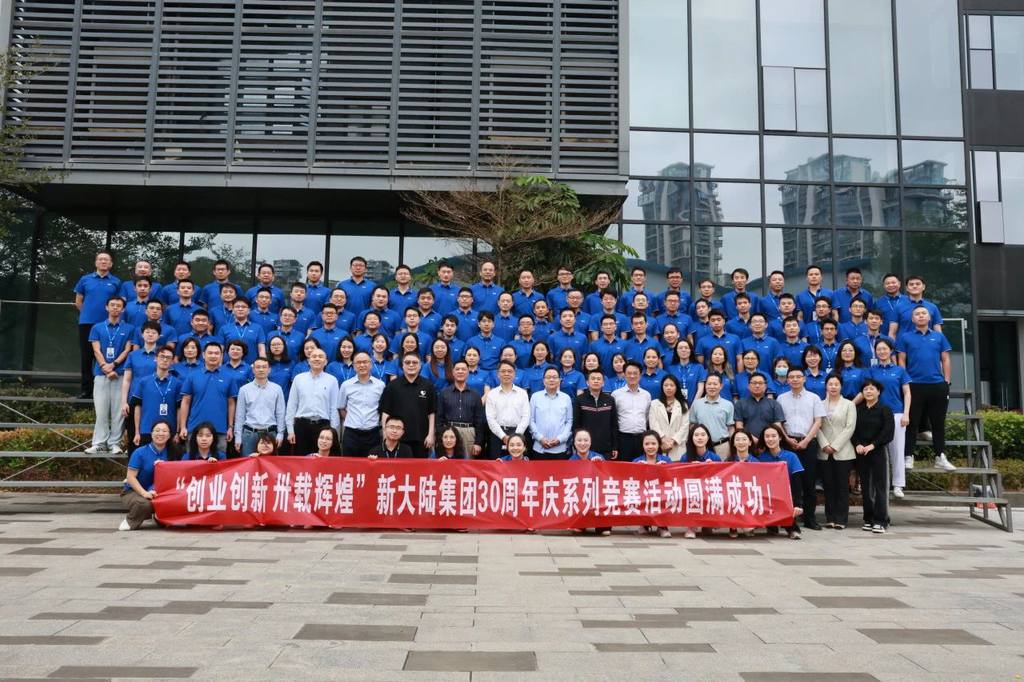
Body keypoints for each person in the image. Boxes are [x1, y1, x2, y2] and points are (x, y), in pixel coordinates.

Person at [896, 306, 955, 471]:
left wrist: (946, 381)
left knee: (938, 423)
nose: (921, 316)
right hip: (914, 385)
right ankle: (908, 456)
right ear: (912, 319)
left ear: (929, 317)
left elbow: (945, 359)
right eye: (917, 314)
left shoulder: (939, 337)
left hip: (937, 385)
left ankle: (940, 456)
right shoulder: (905, 337)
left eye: (924, 313)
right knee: (911, 423)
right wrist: (905, 381)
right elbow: (901, 361)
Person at [776, 367, 827, 531]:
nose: (795, 379)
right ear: (787, 380)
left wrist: (806, 440)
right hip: (788, 442)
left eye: (798, 376)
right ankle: (789, 518)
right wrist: (786, 438)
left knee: (809, 481)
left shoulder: (814, 398)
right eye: (791, 377)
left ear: (804, 379)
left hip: (808, 442)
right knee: (790, 481)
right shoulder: (781, 398)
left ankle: (810, 518)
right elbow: (778, 422)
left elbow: (818, 421)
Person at [85, 296, 134, 454]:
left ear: (123, 309)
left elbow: (127, 350)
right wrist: (105, 367)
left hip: (120, 374)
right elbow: (96, 349)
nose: (115, 308)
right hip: (101, 374)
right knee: (101, 411)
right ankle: (99, 443)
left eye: (118, 306)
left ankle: (114, 443)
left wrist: (114, 365)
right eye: (112, 305)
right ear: (106, 307)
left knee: (118, 412)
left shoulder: (129, 328)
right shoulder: (97, 327)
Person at [75, 251, 122, 398]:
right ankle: (86, 390)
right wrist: (88, 314)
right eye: (100, 259)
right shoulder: (85, 279)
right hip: (87, 323)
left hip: (107, 325)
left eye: (106, 260)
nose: (103, 262)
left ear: (111, 264)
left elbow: (118, 303)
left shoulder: (116, 281)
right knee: (86, 356)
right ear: (96, 262)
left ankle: (103, 391)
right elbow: (78, 302)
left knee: (105, 356)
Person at [869, 338, 912, 498]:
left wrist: (906, 413)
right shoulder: (872, 371)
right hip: (877, 414)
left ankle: (898, 484)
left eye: (884, 349)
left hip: (896, 413)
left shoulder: (900, 370)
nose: (882, 352)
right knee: (876, 450)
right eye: (879, 349)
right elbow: (866, 391)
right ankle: (878, 484)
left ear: (891, 350)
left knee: (897, 450)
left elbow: (907, 393)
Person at [178, 342, 239, 453]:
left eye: (216, 353)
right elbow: (185, 401)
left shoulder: (229, 377)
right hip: (195, 428)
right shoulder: (192, 376)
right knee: (193, 461)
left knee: (219, 461)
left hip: (220, 429)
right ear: (203, 355)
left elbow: (231, 403)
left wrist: (230, 427)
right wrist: (183, 427)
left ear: (221, 356)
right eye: (210, 353)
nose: (213, 356)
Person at [852, 379, 896, 534]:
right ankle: (869, 519)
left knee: (880, 486)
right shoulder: (858, 410)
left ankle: (881, 520)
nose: (868, 391)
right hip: (861, 452)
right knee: (866, 487)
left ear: (878, 392)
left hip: (878, 451)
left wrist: (873, 445)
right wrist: (857, 444)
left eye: (872, 389)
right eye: (865, 389)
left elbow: (888, 432)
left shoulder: (885, 409)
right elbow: (853, 430)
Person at [817, 374, 857, 530]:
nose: (833, 387)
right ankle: (830, 518)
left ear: (841, 386)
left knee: (842, 486)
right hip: (824, 451)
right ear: (826, 386)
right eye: (830, 384)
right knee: (828, 486)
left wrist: (835, 446)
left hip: (843, 451)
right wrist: (825, 444)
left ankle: (841, 519)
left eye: (836, 384)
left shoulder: (849, 405)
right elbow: (816, 426)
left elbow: (850, 427)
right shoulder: (819, 404)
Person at [380, 352, 437, 457]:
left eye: (414, 362)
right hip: (396, 438)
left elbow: (431, 413)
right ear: (402, 365)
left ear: (420, 365)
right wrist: (385, 433)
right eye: (407, 362)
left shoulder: (428, 386)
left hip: (421, 437)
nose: (411, 365)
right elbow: (385, 412)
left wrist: (430, 434)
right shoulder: (392, 386)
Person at [286, 347, 340, 456]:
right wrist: (290, 430)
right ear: (308, 361)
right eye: (314, 356)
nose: (317, 359)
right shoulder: (298, 379)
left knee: (321, 460)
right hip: (302, 425)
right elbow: (292, 405)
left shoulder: (332, 380)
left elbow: (334, 408)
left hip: (323, 426)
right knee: (301, 460)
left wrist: (333, 431)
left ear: (326, 361)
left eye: (320, 357)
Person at [754, 424, 805, 540]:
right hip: (767, 495)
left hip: (787, 495)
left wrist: (798, 504)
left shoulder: (791, 456)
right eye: (767, 436)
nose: (770, 439)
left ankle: (792, 528)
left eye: (773, 436)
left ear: (780, 437)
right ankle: (771, 525)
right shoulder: (760, 458)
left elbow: (797, 484)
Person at [118, 420, 171, 531]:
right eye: (157, 430)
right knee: (144, 504)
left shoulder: (174, 453)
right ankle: (131, 520)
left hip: (161, 492)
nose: (160, 433)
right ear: (151, 434)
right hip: (135, 491)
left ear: (170, 435)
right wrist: (144, 493)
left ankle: (158, 517)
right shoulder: (140, 452)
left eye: (164, 431)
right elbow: (130, 477)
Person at [130, 345, 182, 447]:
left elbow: (179, 409)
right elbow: (138, 407)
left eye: (168, 358)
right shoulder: (144, 382)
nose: (165, 360)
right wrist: (137, 432)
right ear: (156, 358)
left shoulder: (177, 383)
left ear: (172, 361)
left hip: (169, 431)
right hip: (146, 430)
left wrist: (177, 432)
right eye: (162, 356)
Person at [233, 357, 286, 457]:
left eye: (264, 367)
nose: (261, 370)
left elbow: (280, 413)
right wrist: (238, 436)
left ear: (269, 370)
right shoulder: (244, 390)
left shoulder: (277, 389)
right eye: (258, 367)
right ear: (253, 370)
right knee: (248, 464)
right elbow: (240, 415)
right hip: (250, 433)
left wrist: (280, 433)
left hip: (270, 433)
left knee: (270, 464)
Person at [337, 351, 386, 456]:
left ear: (371, 364)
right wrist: (353, 420)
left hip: (373, 433)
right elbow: (341, 408)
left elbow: (383, 409)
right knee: (349, 464)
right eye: (358, 362)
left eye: (365, 362)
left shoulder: (380, 385)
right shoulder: (346, 385)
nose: (362, 365)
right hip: (351, 434)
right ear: (354, 366)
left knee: (371, 464)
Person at [679, 424, 722, 539]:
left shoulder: (715, 458)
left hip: (709, 489)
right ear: (691, 438)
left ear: (708, 438)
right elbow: (680, 479)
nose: (700, 438)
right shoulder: (685, 457)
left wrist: (712, 468)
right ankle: (691, 526)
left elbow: (721, 479)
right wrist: (690, 469)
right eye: (696, 435)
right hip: (692, 490)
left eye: (703, 435)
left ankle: (708, 523)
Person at [436, 360, 486, 458]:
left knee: (467, 464)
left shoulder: (475, 395)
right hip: (449, 433)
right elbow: (439, 418)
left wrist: (478, 442)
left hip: (468, 433)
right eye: (457, 369)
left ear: (468, 372)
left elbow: (479, 421)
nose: (460, 371)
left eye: (463, 369)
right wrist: (440, 437)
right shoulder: (444, 393)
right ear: (453, 372)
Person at [631, 430, 672, 538]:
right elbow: (631, 482)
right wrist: (639, 470)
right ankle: (645, 524)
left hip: (660, 493)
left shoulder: (666, 460)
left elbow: (672, 481)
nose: (650, 447)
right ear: (642, 445)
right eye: (647, 444)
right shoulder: (636, 461)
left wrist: (664, 469)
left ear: (659, 445)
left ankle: (662, 526)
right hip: (643, 493)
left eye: (653, 443)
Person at [485, 361, 530, 458]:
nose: (506, 374)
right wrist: (503, 436)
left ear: (514, 374)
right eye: (503, 371)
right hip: (497, 435)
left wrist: (516, 436)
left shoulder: (522, 393)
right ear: (498, 374)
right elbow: (490, 419)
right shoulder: (492, 394)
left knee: (518, 464)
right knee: (497, 464)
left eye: (509, 371)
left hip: (518, 434)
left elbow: (526, 417)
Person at [528, 367, 572, 460]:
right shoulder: (535, 397)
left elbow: (569, 421)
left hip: (560, 448)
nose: (551, 380)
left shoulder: (566, 398)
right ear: (543, 381)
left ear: (559, 380)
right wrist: (540, 438)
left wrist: (560, 439)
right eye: (548, 377)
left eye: (554, 377)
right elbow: (530, 420)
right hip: (539, 447)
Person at [573, 369, 618, 459]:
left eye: (598, 379)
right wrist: (577, 445)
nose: (596, 381)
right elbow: (576, 425)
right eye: (593, 378)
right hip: (585, 448)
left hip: (606, 448)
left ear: (603, 383)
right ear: (587, 382)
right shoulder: (580, 400)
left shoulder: (610, 400)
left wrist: (615, 446)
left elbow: (614, 425)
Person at [687, 373, 734, 458]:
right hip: (701, 447)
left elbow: (730, 428)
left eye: (715, 384)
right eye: (709, 384)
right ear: (705, 385)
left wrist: (732, 446)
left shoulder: (728, 405)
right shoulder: (697, 404)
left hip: (722, 446)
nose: (712, 387)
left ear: (721, 386)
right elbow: (692, 425)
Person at [612, 361, 652, 460]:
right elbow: (613, 419)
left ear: (640, 375)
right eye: (629, 373)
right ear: (624, 375)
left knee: (641, 466)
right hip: (623, 438)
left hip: (641, 438)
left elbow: (647, 416)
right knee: (624, 467)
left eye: (635, 373)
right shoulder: (616, 394)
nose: (632, 376)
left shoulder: (646, 395)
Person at [734, 372, 785, 446]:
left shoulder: (774, 404)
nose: (757, 385)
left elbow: (777, 426)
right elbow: (739, 426)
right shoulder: (740, 403)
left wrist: (765, 441)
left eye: (760, 383)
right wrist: (753, 440)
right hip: (748, 444)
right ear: (748, 386)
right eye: (754, 383)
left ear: (766, 386)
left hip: (769, 443)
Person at [648, 374, 689, 460]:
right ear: (662, 387)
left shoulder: (683, 404)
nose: (668, 388)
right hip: (660, 445)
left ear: (676, 387)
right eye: (666, 385)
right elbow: (653, 424)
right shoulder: (654, 404)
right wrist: (663, 439)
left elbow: (685, 426)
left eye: (672, 385)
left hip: (677, 447)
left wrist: (673, 441)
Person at [725, 428, 757, 537]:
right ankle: (733, 526)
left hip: (750, 493)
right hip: (733, 493)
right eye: (737, 439)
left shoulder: (757, 462)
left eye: (744, 439)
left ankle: (748, 523)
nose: (741, 442)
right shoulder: (728, 461)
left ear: (750, 442)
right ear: (733, 443)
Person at [668, 338, 705, 406]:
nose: (683, 350)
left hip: (694, 405)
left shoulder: (699, 367)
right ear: (676, 351)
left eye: (686, 348)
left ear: (690, 350)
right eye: (680, 348)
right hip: (675, 406)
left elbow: (700, 389)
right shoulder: (671, 368)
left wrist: (693, 406)